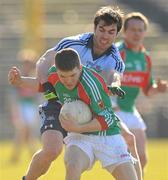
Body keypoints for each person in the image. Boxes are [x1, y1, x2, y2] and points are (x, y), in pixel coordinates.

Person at [8, 6, 142, 180]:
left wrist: (114, 85)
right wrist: (46, 86)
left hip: (90, 106)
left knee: (129, 138)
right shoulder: (73, 43)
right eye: (101, 29)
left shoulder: (115, 60)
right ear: (94, 28)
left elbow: (114, 77)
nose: (105, 36)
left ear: (116, 34)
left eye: (111, 32)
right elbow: (44, 61)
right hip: (60, 101)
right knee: (52, 150)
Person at [114, 12, 168, 174]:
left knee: (142, 158)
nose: (137, 33)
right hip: (113, 111)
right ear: (124, 31)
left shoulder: (146, 58)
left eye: (140, 30)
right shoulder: (117, 53)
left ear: (145, 32)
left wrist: (158, 89)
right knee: (121, 159)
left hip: (130, 111)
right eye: (133, 30)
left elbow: (147, 91)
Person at [8, 49, 39, 163]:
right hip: (22, 106)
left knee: (29, 132)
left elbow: (37, 94)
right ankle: (18, 155)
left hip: (31, 106)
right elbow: (14, 96)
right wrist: (15, 110)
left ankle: (30, 154)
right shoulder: (18, 77)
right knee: (22, 131)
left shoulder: (34, 77)